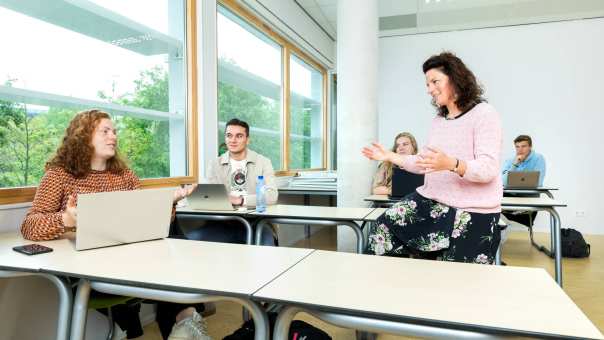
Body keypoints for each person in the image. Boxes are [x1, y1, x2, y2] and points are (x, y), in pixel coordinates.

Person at [19, 109, 209, 340]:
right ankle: (187, 318)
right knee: (169, 257)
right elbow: (29, 224)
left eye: (115, 131)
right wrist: (65, 220)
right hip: (89, 264)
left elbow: (146, 222)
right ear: (83, 136)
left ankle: (185, 319)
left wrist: (167, 203)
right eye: (105, 131)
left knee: (169, 236)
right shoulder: (59, 175)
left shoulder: (124, 175)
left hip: (130, 255)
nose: (113, 137)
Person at [362, 51, 503, 264]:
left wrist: (452, 164)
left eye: (435, 81)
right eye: (427, 84)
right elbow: (423, 163)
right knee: (383, 230)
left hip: (472, 209)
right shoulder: (439, 120)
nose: (429, 89)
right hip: (432, 201)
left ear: (456, 79)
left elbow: (488, 169)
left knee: (457, 279)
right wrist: (389, 156)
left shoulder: (484, 114)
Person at [183, 118, 277, 245]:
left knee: (267, 247)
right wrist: (194, 193)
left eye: (239, 136)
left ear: (247, 140)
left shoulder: (263, 162)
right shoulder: (215, 164)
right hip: (222, 223)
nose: (233, 140)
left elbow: (272, 196)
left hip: (256, 223)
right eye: (229, 135)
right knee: (189, 240)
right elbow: (210, 197)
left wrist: (241, 200)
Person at [501, 134, 546, 226]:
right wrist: (515, 165)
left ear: (530, 147)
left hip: (529, 198)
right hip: (510, 197)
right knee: (492, 198)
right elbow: (503, 182)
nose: (520, 149)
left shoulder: (538, 158)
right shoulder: (510, 161)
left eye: (523, 146)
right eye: (517, 147)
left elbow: (538, 182)